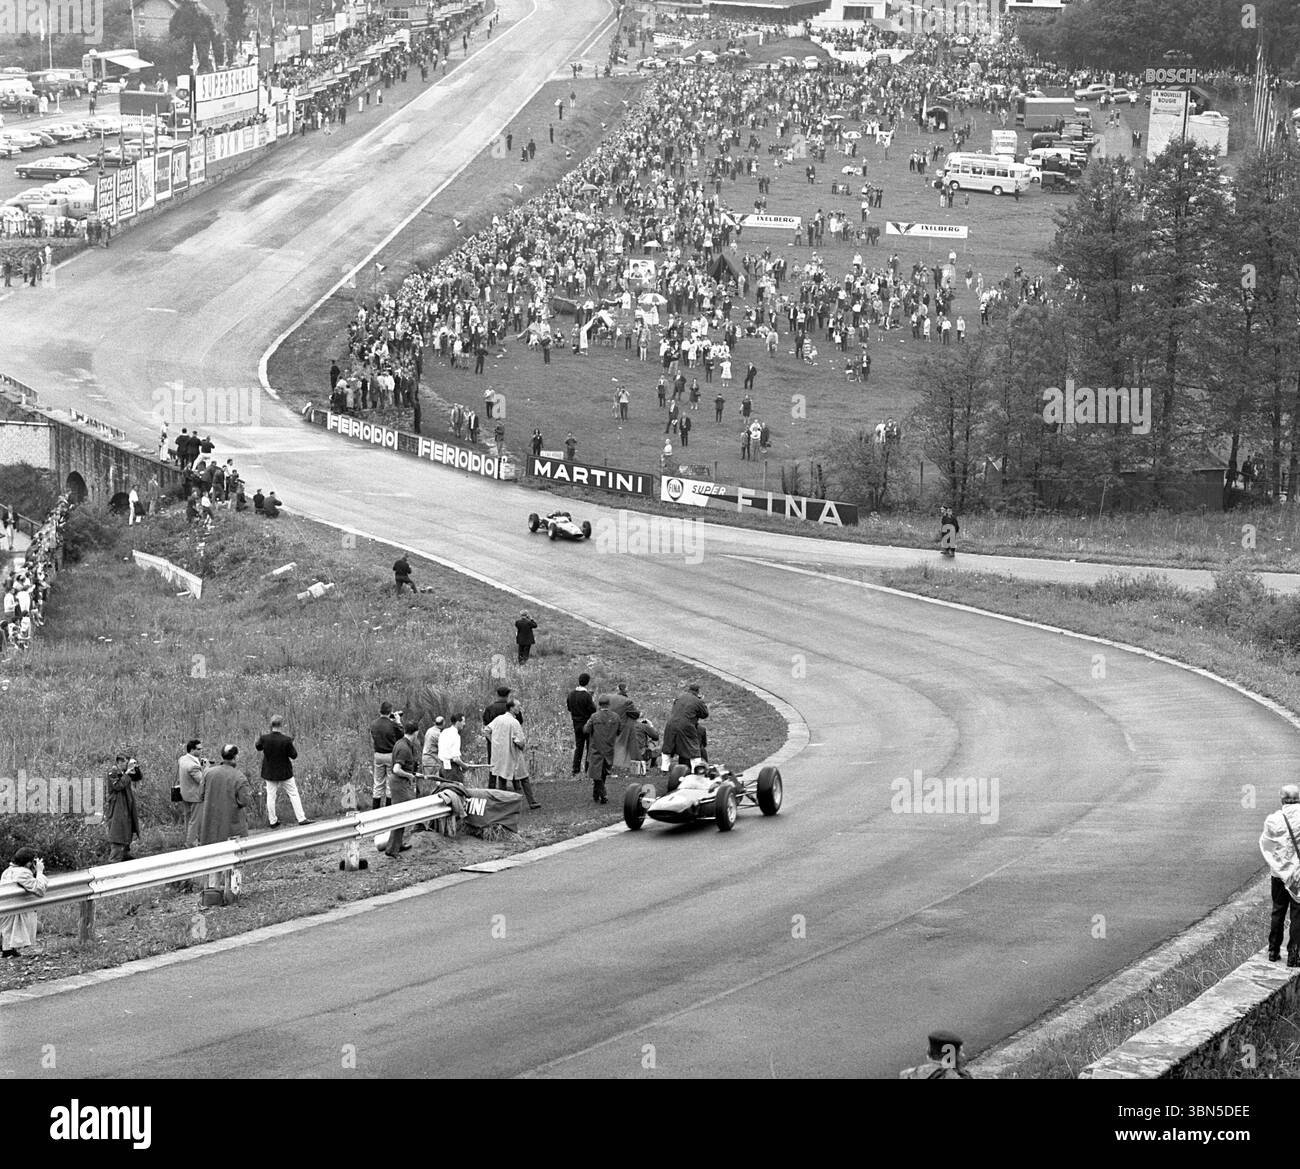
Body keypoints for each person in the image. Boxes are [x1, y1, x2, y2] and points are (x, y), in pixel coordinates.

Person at [1260, 785, 1300, 965]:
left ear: (1282, 799)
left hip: (1279, 874)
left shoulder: (1273, 819)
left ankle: (1273, 951)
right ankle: (1294, 955)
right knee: (1297, 914)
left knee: (1278, 911)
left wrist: (1279, 863)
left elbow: (1267, 845)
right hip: (1298, 875)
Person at [255, 716, 311, 828]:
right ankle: (301, 818)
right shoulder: (286, 740)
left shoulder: (264, 738)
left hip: (269, 772)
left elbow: (258, 747)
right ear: (281, 725)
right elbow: (294, 755)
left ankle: (273, 821)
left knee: (271, 796)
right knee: (293, 794)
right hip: (285, 772)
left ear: (271, 725)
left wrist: (258, 739)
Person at [488, 698, 540, 809]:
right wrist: (522, 746)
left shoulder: (498, 719)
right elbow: (520, 741)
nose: (519, 708)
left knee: (502, 777)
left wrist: (494, 742)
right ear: (511, 708)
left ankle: (501, 804)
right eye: (518, 706)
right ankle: (532, 802)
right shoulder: (514, 722)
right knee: (524, 778)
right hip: (513, 754)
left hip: (500, 755)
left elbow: (486, 730)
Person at [197, 745, 252, 846]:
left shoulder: (208, 773)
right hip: (231, 826)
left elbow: (200, 795)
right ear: (236, 757)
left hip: (211, 826)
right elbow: (244, 801)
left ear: (222, 756)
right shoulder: (239, 777)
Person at [384, 720, 421, 859]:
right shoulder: (404, 748)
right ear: (416, 732)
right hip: (399, 783)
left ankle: (398, 844)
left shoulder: (401, 742)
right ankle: (392, 849)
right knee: (399, 816)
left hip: (400, 782)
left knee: (403, 815)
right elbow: (396, 769)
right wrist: (409, 775)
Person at [0, 847, 47, 958]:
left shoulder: (7, 871)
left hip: (6, 907)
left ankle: (8, 950)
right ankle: (8, 950)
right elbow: (40, 889)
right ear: (28, 863)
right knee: (39, 927)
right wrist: (40, 872)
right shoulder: (23, 873)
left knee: (9, 927)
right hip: (13, 908)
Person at [104, 754, 144, 863]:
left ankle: (125, 854)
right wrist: (126, 774)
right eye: (126, 763)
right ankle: (114, 859)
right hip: (117, 806)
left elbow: (138, 777)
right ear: (120, 762)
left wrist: (136, 768)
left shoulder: (124, 772)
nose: (127, 765)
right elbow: (118, 786)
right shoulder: (113, 772)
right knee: (118, 831)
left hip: (127, 804)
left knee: (128, 828)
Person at [662, 683, 708, 771]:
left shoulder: (679, 698)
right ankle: (697, 769)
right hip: (686, 725)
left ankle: (664, 769)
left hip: (671, 723)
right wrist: (702, 702)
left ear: (689, 689)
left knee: (668, 746)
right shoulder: (697, 701)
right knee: (693, 747)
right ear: (698, 692)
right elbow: (705, 714)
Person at [584, 695, 621, 804]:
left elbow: (586, 730)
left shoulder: (594, 716)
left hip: (596, 748)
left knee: (596, 774)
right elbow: (619, 731)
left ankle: (603, 794)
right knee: (603, 772)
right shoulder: (616, 717)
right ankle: (596, 795)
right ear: (609, 704)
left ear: (599, 705)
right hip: (609, 748)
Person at [900, 1030, 974, 1079]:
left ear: (928, 1052)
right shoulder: (960, 1076)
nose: (963, 1055)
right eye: (961, 1052)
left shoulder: (906, 1075)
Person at [370, 701, 403, 809]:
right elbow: (401, 735)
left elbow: (372, 738)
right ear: (390, 711)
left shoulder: (374, 724)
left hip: (378, 754)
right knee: (390, 783)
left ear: (380, 711)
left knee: (378, 783)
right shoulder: (393, 725)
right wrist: (398, 722)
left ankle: (375, 810)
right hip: (390, 754)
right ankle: (388, 809)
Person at [177, 738, 207, 847]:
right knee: (195, 821)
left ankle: (189, 839)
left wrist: (199, 763)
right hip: (196, 796)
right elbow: (202, 780)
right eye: (199, 749)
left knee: (188, 819)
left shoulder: (182, 759)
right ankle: (190, 843)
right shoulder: (193, 766)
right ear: (192, 750)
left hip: (185, 795)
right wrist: (206, 768)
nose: (201, 751)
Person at [566, 672, 597, 776]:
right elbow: (593, 710)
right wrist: (592, 700)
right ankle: (587, 770)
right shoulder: (587, 696)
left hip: (576, 724)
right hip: (587, 724)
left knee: (579, 747)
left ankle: (575, 770)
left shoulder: (571, 694)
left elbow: (569, 708)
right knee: (589, 747)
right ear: (587, 682)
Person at [438, 713, 467, 781]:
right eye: (463, 721)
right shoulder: (455, 736)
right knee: (455, 790)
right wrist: (465, 766)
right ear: (457, 722)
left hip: (442, 767)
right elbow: (455, 759)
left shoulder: (444, 732)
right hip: (452, 769)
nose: (464, 724)